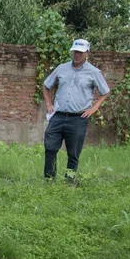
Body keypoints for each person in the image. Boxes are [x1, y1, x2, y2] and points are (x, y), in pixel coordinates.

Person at [42, 38, 110, 180]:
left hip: (78, 118)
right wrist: (48, 104)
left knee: (73, 153)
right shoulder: (62, 68)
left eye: (80, 52)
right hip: (58, 116)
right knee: (50, 148)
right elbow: (46, 85)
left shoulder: (93, 72)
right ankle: (49, 180)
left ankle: (69, 181)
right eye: (75, 52)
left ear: (87, 54)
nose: (77, 55)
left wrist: (94, 107)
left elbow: (105, 92)